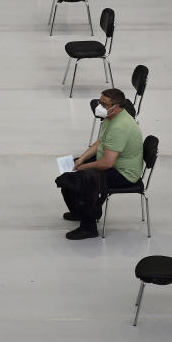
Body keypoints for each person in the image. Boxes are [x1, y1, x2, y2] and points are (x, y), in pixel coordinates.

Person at [59, 88, 143, 240]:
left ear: (116, 106)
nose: (100, 107)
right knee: (69, 169)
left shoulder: (120, 127)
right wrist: (81, 159)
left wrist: (82, 168)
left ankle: (88, 227)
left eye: (104, 104)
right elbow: (101, 142)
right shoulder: (111, 118)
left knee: (83, 179)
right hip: (111, 161)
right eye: (100, 102)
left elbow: (107, 163)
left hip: (123, 173)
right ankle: (79, 211)